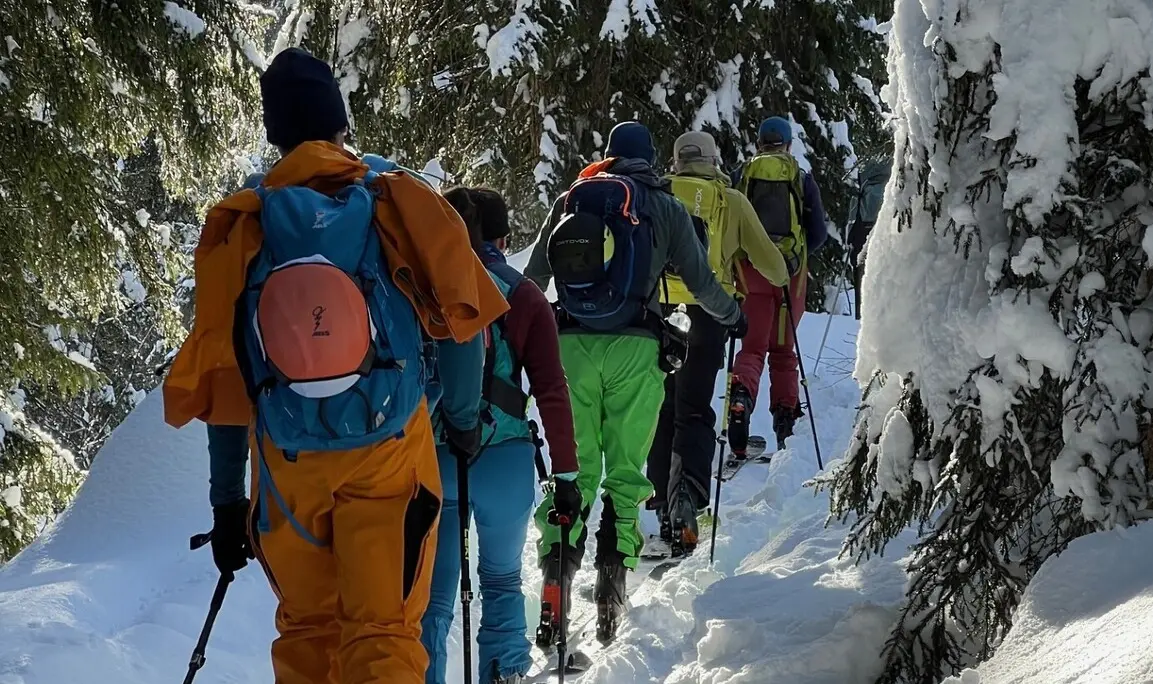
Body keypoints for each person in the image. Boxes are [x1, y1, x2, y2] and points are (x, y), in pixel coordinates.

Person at [162, 48, 509, 684]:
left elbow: (225, 374)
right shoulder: (391, 202)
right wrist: (460, 421)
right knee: (383, 634)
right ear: (340, 123)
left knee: (308, 633)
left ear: (275, 134)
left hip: (287, 472)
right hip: (388, 458)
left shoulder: (246, 227)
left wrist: (225, 503)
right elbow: (461, 327)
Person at [523, 121, 746, 644]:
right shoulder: (664, 207)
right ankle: (611, 584)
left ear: (608, 155)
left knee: (571, 469)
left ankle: (556, 575)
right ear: (650, 160)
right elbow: (701, 282)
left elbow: (534, 277)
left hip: (570, 349)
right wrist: (733, 317)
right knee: (625, 475)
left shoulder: (573, 199)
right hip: (638, 351)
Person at [420, 186, 581, 684]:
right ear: (503, 236)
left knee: (436, 594)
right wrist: (566, 472)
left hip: (439, 456)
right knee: (502, 580)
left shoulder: (423, 288)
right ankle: (505, 671)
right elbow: (552, 389)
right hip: (507, 459)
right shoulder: (524, 294)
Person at [645, 131, 788, 558]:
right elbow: (774, 267)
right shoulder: (731, 201)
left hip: (657, 311)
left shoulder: (657, 195)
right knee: (694, 409)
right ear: (712, 158)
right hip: (708, 313)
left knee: (662, 408)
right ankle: (688, 499)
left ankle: (661, 506)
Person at [729, 116, 829, 452]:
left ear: (759, 141)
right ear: (788, 144)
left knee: (752, 347)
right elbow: (817, 233)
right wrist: (795, 258)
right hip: (790, 274)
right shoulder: (800, 178)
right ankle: (786, 423)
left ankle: (741, 396)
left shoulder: (743, 175)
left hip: (750, 271)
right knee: (783, 352)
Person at [846, 159, 889, 319]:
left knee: (863, 278)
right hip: (887, 230)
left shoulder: (863, 172)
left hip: (862, 232)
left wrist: (850, 239)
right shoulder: (893, 169)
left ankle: (862, 314)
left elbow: (854, 209)